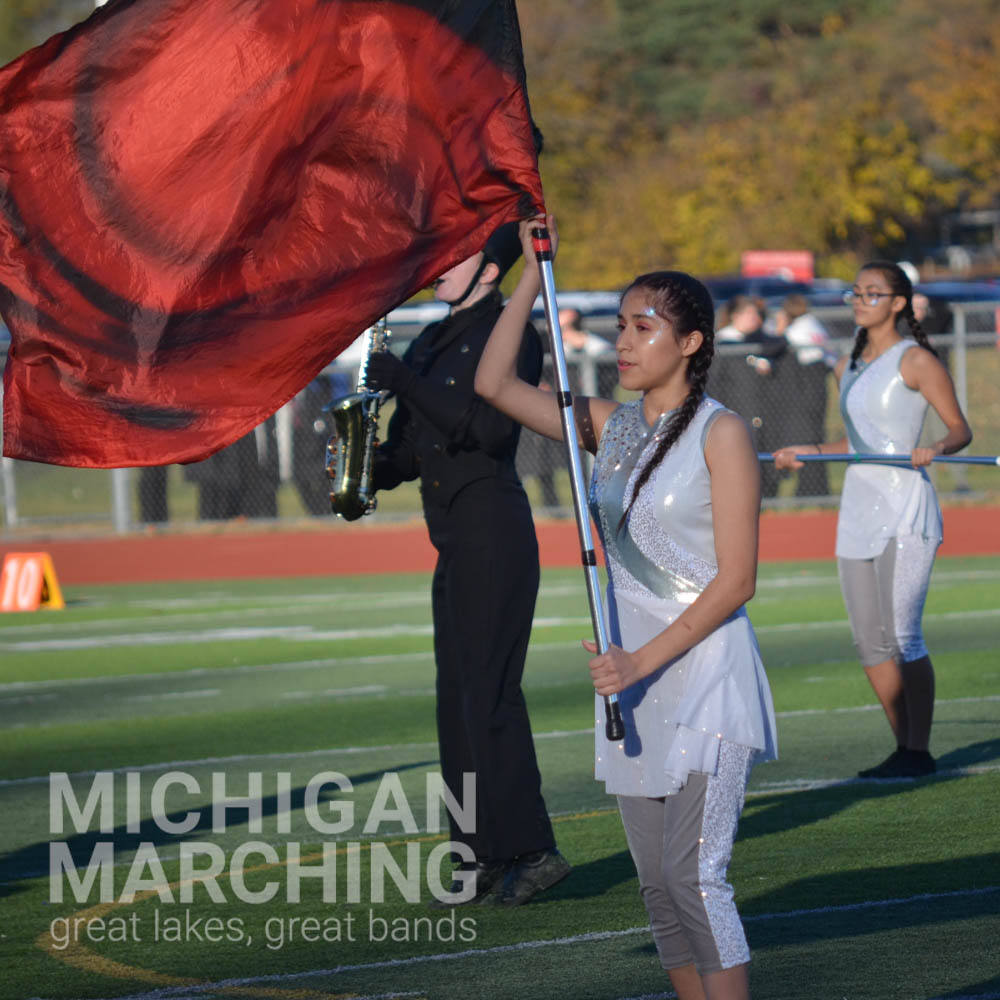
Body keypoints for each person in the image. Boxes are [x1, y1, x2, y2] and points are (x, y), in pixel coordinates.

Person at [476, 215, 777, 1000]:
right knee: (655, 886)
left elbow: (738, 579)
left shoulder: (723, 434)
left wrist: (643, 659)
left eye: (645, 329)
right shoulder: (609, 428)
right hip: (631, 682)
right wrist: (529, 282)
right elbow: (495, 386)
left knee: (696, 876)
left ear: (692, 343)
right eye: (620, 328)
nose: (626, 343)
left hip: (701, 672)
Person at [363, 221, 570, 907]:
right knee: (457, 702)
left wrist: (404, 383)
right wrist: (364, 472)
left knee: (491, 693)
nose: (438, 267)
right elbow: (409, 447)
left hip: (494, 530)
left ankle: (533, 850)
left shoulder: (512, 335)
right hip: (452, 537)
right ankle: (478, 853)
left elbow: (484, 429)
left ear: (491, 268)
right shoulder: (427, 339)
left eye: (457, 256)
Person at [774, 261, 972, 779]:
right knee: (869, 639)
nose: (860, 300)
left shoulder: (917, 361)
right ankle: (901, 747)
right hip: (858, 508)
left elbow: (959, 429)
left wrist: (936, 448)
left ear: (899, 303)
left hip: (906, 506)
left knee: (904, 634)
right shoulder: (848, 365)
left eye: (872, 292)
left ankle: (918, 749)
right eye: (855, 293)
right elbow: (856, 447)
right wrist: (809, 451)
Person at [708, 296, 786, 497]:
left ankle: (769, 497)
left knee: (764, 460)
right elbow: (715, 381)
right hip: (735, 411)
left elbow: (778, 342)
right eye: (749, 314)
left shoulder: (757, 339)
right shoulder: (723, 343)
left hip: (760, 413)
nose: (755, 319)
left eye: (756, 314)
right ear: (735, 316)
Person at [771, 294, 838, 497]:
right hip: (818, 386)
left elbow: (774, 346)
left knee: (807, 438)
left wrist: (781, 326)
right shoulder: (814, 324)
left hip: (806, 385)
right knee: (814, 437)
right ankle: (816, 490)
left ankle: (811, 491)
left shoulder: (798, 328)